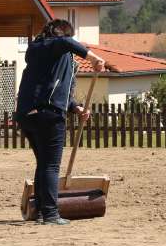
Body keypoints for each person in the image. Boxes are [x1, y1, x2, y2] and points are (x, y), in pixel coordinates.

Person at [15, 19, 105, 226]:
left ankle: (39, 210)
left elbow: (53, 88)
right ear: (62, 35)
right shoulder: (54, 46)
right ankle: (51, 214)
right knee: (51, 166)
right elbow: (65, 43)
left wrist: (76, 107)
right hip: (48, 115)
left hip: (27, 114)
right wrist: (91, 57)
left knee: (44, 164)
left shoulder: (42, 53)